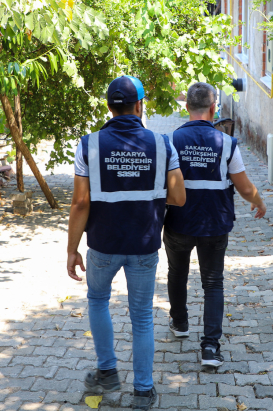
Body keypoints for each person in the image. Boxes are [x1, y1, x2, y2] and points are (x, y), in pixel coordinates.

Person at [66, 75, 186, 411]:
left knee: (97, 299)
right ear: (139, 106)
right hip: (144, 245)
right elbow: (179, 196)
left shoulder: (88, 145)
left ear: (109, 107)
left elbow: (80, 202)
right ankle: (143, 392)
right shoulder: (162, 144)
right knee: (142, 316)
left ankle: (107, 372)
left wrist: (72, 249)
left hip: (102, 245)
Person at [163, 82, 267, 368]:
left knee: (177, 272)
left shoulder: (171, 141)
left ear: (187, 107)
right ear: (213, 109)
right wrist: (259, 202)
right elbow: (244, 187)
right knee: (212, 283)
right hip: (215, 223)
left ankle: (180, 323)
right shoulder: (227, 143)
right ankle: (210, 348)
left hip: (179, 222)